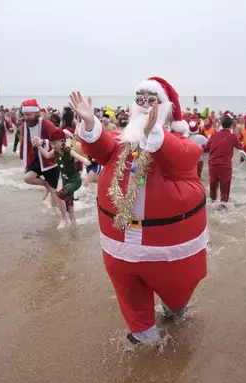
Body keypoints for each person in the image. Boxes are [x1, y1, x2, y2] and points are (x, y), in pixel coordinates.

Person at [69, 76, 207, 346]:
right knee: (130, 295)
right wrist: (89, 123)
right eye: (140, 99)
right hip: (119, 245)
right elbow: (102, 148)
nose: (145, 104)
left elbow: (185, 155)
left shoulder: (177, 142)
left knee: (178, 298)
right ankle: (144, 336)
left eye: (151, 99)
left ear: (164, 106)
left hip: (168, 249)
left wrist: (155, 134)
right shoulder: (122, 139)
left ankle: (174, 309)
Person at [38, 129, 91, 229]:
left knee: (59, 195)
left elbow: (77, 156)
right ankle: (74, 226)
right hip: (65, 181)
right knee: (69, 206)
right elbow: (47, 155)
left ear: (62, 141)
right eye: (52, 143)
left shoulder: (68, 150)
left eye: (55, 143)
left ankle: (64, 220)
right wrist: (39, 146)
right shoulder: (55, 151)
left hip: (75, 181)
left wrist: (85, 161)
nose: (53, 146)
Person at [18, 99, 61, 206]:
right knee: (27, 178)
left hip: (50, 162)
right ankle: (46, 185)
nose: (26, 117)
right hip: (36, 159)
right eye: (24, 115)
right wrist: (22, 155)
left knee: (53, 191)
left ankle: (55, 214)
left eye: (29, 115)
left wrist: (43, 142)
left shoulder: (47, 125)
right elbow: (24, 141)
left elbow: (60, 141)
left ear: (37, 113)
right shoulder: (25, 125)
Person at [207, 116, 242, 204]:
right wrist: (238, 134)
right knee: (225, 188)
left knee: (213, 186)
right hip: (225, 166)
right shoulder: (232, 136)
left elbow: (207, 146)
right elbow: (240, 147)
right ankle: (223, 206)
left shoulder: (214, 134)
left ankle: (212, 202)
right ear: (230, 126)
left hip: (212, 164)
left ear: (221, 125)